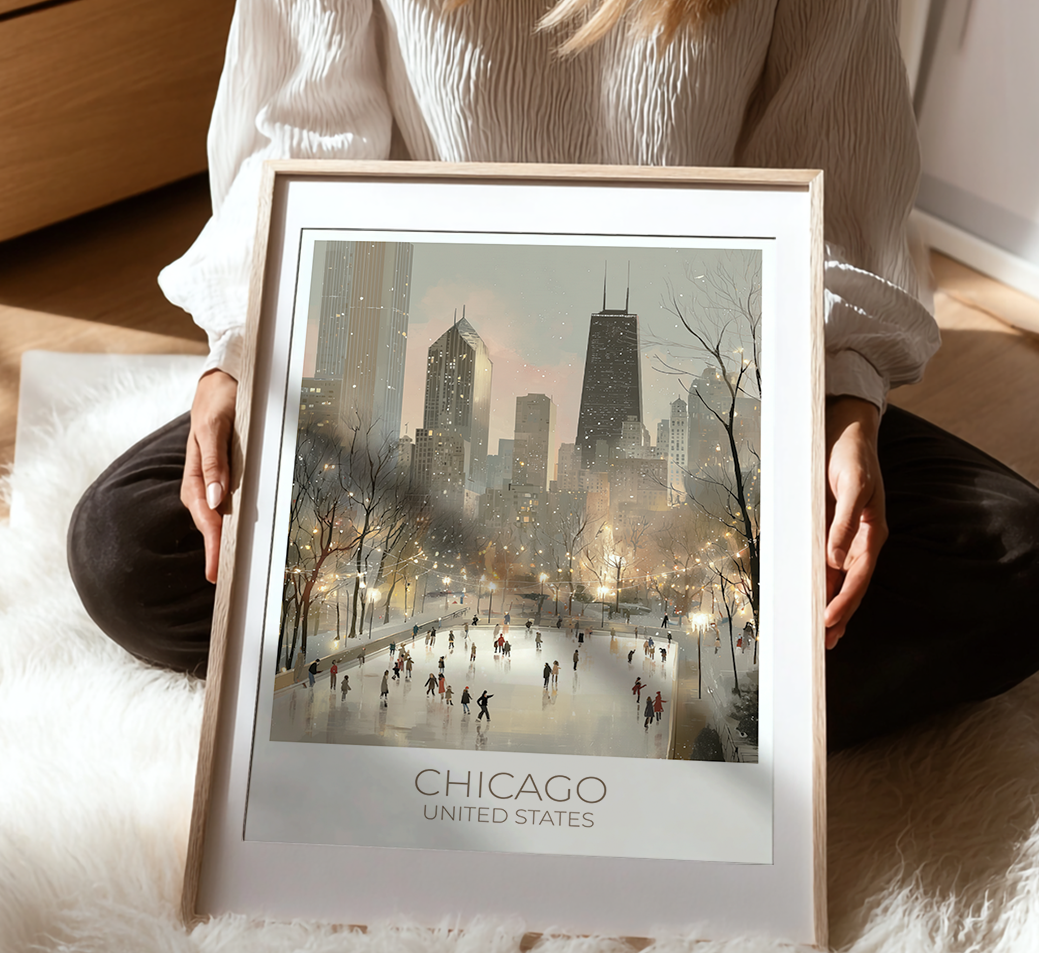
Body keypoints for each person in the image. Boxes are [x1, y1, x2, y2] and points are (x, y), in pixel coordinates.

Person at [65, 0, 1039, 753]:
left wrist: (839, 404)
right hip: (419, 395)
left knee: (1014, 560)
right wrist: (243, 356)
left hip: (704, 403)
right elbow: (298, 136)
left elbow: (835, 168)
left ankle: (529, 692)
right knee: (133, 543)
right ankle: (648, 696)